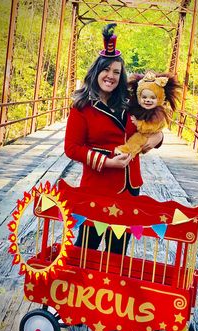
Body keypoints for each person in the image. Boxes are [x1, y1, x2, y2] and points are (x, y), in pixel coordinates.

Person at [64, 24, 163, 254]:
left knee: (117, 250)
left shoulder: (130, 103)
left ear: (122, 76)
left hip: (130, 187)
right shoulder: (82, 107)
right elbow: (71, 148)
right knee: (87, 246)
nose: (110, 76)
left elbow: (150, 125)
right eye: (106, 70)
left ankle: (110, 290)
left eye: (116, 72)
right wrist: (107, 162)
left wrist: (158, 136)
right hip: (98, 185)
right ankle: (83, 289)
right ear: (96, 71)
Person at [115, 70, 181, 157]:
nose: (148, 100)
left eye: (116, 72)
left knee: (136, 142)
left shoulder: (155, 112)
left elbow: (153, 127)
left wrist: (159, 136)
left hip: (131, 162)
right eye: (144, 97)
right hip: (109, 161)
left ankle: (126, 151)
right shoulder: (133, 106)